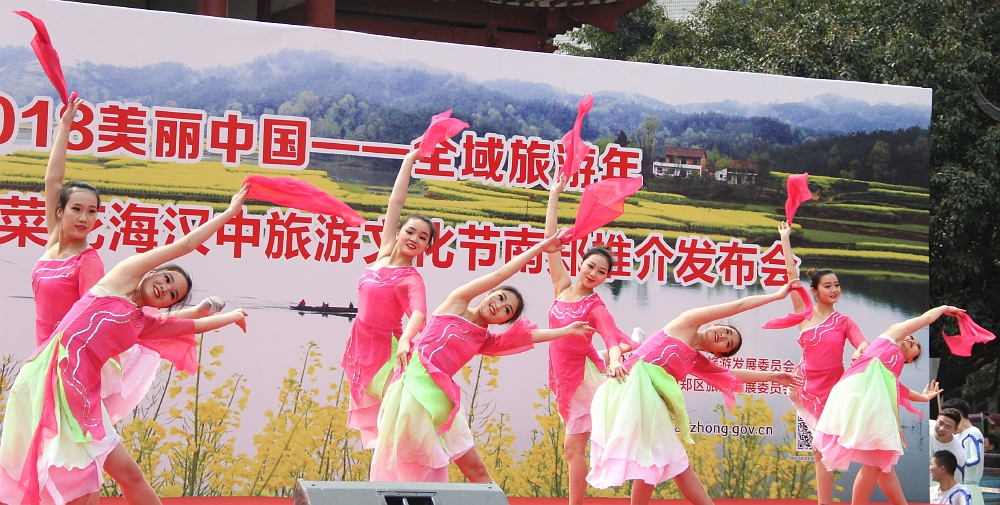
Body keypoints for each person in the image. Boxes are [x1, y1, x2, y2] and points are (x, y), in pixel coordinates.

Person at [0, 186, 252, 505]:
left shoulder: (142, 323)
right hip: (52, 381)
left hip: (82, 398)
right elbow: (186, 244)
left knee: (120, 478)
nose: (164, 290)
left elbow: (193, 325)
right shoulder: (120, 279)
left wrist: (231, 317)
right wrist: (229, 214)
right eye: (166, 280)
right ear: (152, 271)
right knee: (81, 486)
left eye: (172, 295)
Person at [371, 230, 594, 483]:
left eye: (506, 310)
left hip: (441, 400)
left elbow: (527, 337)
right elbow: (501, 274)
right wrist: (540, 248)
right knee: (412, 470)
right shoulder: (456, 304)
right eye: (500, 297)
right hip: (412, 392)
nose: (499, 306)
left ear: (504, 321)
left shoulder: (483, 340)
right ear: (488, 293)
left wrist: (567, 330)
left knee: (476, 471)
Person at [587, 280, 802, 505]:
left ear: (718, 354)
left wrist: (773, 376)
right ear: (716, 324)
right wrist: (777, 296)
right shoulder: (687, 322)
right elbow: (738, 305)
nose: (724, 337)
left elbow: (730, 374)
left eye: (728, 344)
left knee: (657, 461)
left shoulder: (694, 360)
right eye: (727, 331)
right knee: (668, 460)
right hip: (627, 390)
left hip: (644, 403)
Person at [543, 174, 638, 505]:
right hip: (561, 372)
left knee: (573, 448)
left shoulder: (595, 307)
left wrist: (615, 358)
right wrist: (554, 195)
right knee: (571, 447)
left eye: (601, 272)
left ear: (606, 278)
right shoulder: (561, 286)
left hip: (582, 380)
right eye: (591, 266)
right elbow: (550, 241)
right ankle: (629, 346)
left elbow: (609, 335)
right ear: (581, 263)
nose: (593, 273)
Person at [814, 305, 957, 505]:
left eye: (916, 344)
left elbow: (902, 390)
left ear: (909, 359)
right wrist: (944, 308)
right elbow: (926, 318)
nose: (912, 339)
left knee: (882, 463)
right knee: (877, 461)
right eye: (912, 337)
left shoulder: (890, 373)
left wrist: (925, 398)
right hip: (856, 395)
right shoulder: (892, 336)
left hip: (868, 402)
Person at [342, 149, 435, 449]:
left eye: (423, 238)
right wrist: (409, 160)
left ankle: (405, 465)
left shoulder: (411, 279)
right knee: (382, 421)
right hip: (360, 346)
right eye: (411, 232)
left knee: (395, 414)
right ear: (398, 231)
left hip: (388, 350)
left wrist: (407, 339)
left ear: (426, 248)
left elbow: (419, 313)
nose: (415, 239)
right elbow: (396, 201)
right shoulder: (382, 254)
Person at [778, 221, 870, 505]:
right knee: (819, 448)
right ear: (815, 291)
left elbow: (863, 343)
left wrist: (860, 352)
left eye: (837, 285)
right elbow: (791, 276)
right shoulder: (803, 313)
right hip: (806, 387)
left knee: (827, 448)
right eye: (828, 286)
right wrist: (785, 239)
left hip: (833, 390)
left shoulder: (844, 321)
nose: (834, 289)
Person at [942, 398, 985, 505]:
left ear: (958, 414)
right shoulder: (957, 437)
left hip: (969, 487)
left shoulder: (974, 432)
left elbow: (976, 458)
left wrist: (954, 465)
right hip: (958, 486)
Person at [931, 408, 968, 481]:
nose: (941, 429)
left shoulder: (957, 455)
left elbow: (955, 483)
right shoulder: (925, 426)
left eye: (948, 427)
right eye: (940, 423)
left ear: (955, 429)